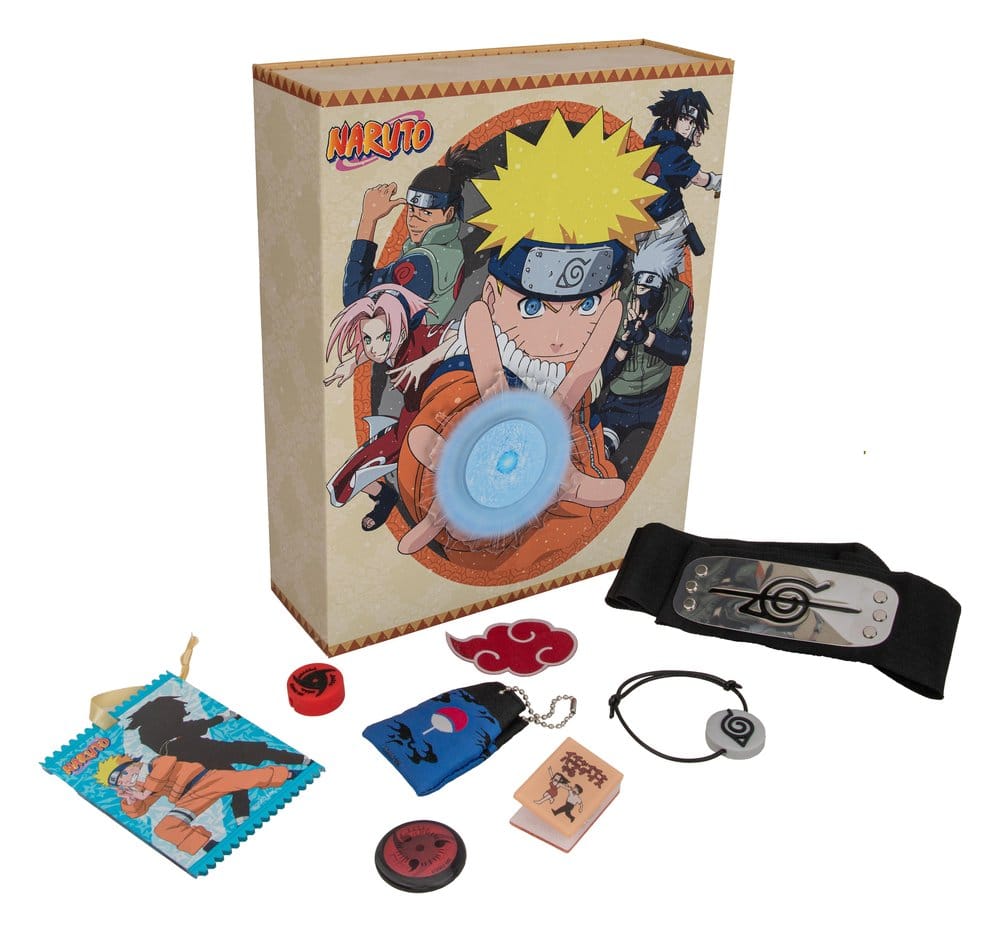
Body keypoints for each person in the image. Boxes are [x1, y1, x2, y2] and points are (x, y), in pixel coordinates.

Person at [395, 109, 664, 572]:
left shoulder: (582, 378)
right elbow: (428, 447)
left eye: (587, 306)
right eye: (533, 309)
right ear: (493, 297)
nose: (559, 338)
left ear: (611, 302)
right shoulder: (465, 380)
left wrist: (565, 480)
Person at [324, 285, 456, 530]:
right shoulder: (388, 347)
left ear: (402, 328)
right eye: (367, 339)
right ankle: (385, 496)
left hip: (442, 415)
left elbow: (461, 335)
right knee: (346, 477)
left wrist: (426, 361)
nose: (374, 347)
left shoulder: (421, 337)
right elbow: (375, 351)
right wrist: (352, 363)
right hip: (410, 421)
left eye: (384, 336)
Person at [343, 145, 480, 324]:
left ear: (448, 214)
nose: (414, 220)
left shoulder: (422, 262)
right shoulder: (448, 249)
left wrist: (368, 219)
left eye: (426, 213)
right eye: (412, 210)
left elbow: (355, 298)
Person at [96, 754, 294, 856]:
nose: (124, 780)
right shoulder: (143, 786)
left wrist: (145, 791)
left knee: (246, 779)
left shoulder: (154, 763)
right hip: (190, 798)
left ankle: (289, 774)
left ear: (131, 764)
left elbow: (166, 765)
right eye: (119, 782)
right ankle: (208, 845)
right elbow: (140, 809)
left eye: (123, 774)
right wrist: (131, 800)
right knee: (164, 828)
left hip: (206, 779)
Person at [636, 88, 721, 281]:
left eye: (692, 122)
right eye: (683, 119)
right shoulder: (673, 151)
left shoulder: (653, 145)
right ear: (670, 119)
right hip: (666, 221)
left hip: (655, 222)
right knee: (649, 278)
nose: (688, 127)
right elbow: (699, 178)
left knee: (649, 276)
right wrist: (718, 182)